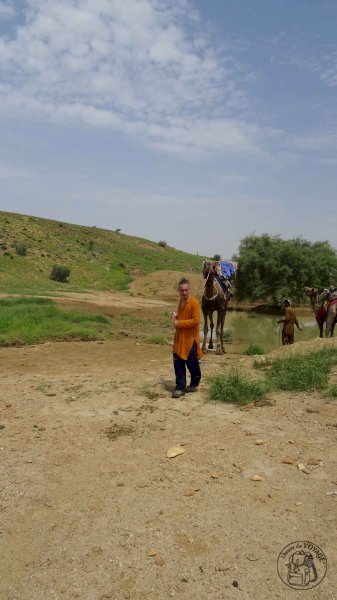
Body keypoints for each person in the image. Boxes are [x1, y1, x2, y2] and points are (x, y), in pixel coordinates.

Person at [171, 278, 202, 399]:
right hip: (180, 338)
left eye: (186, 290)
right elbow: (184, 316)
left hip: (190, 340)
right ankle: (180, 388)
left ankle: (194, 382)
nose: (184, 293)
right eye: (182, 290)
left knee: (192, 364)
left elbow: (195, 321)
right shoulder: (180, 301)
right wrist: (176, 315)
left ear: (189, 290)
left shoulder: (194, 303)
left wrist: (179, 323)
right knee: (178, 362)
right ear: (179, 291)